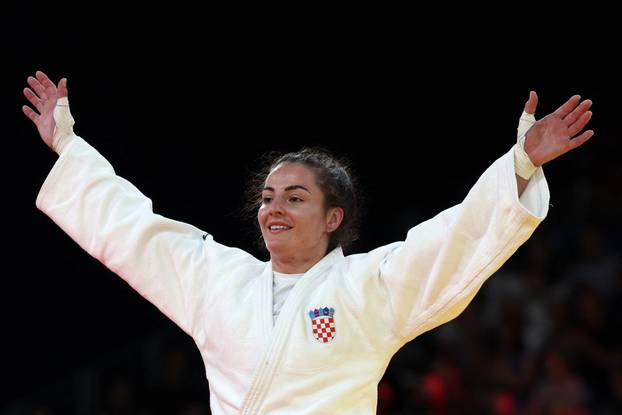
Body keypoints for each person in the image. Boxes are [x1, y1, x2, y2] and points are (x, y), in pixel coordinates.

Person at [23, 70, 594, 414]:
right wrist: (68, 148)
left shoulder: (370, 287)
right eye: (268, 197)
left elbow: (456, 238)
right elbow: (133, 232)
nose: (274, 208)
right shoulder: (217, 279)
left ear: (332, 219)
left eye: (295, 198)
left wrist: (520, 164)